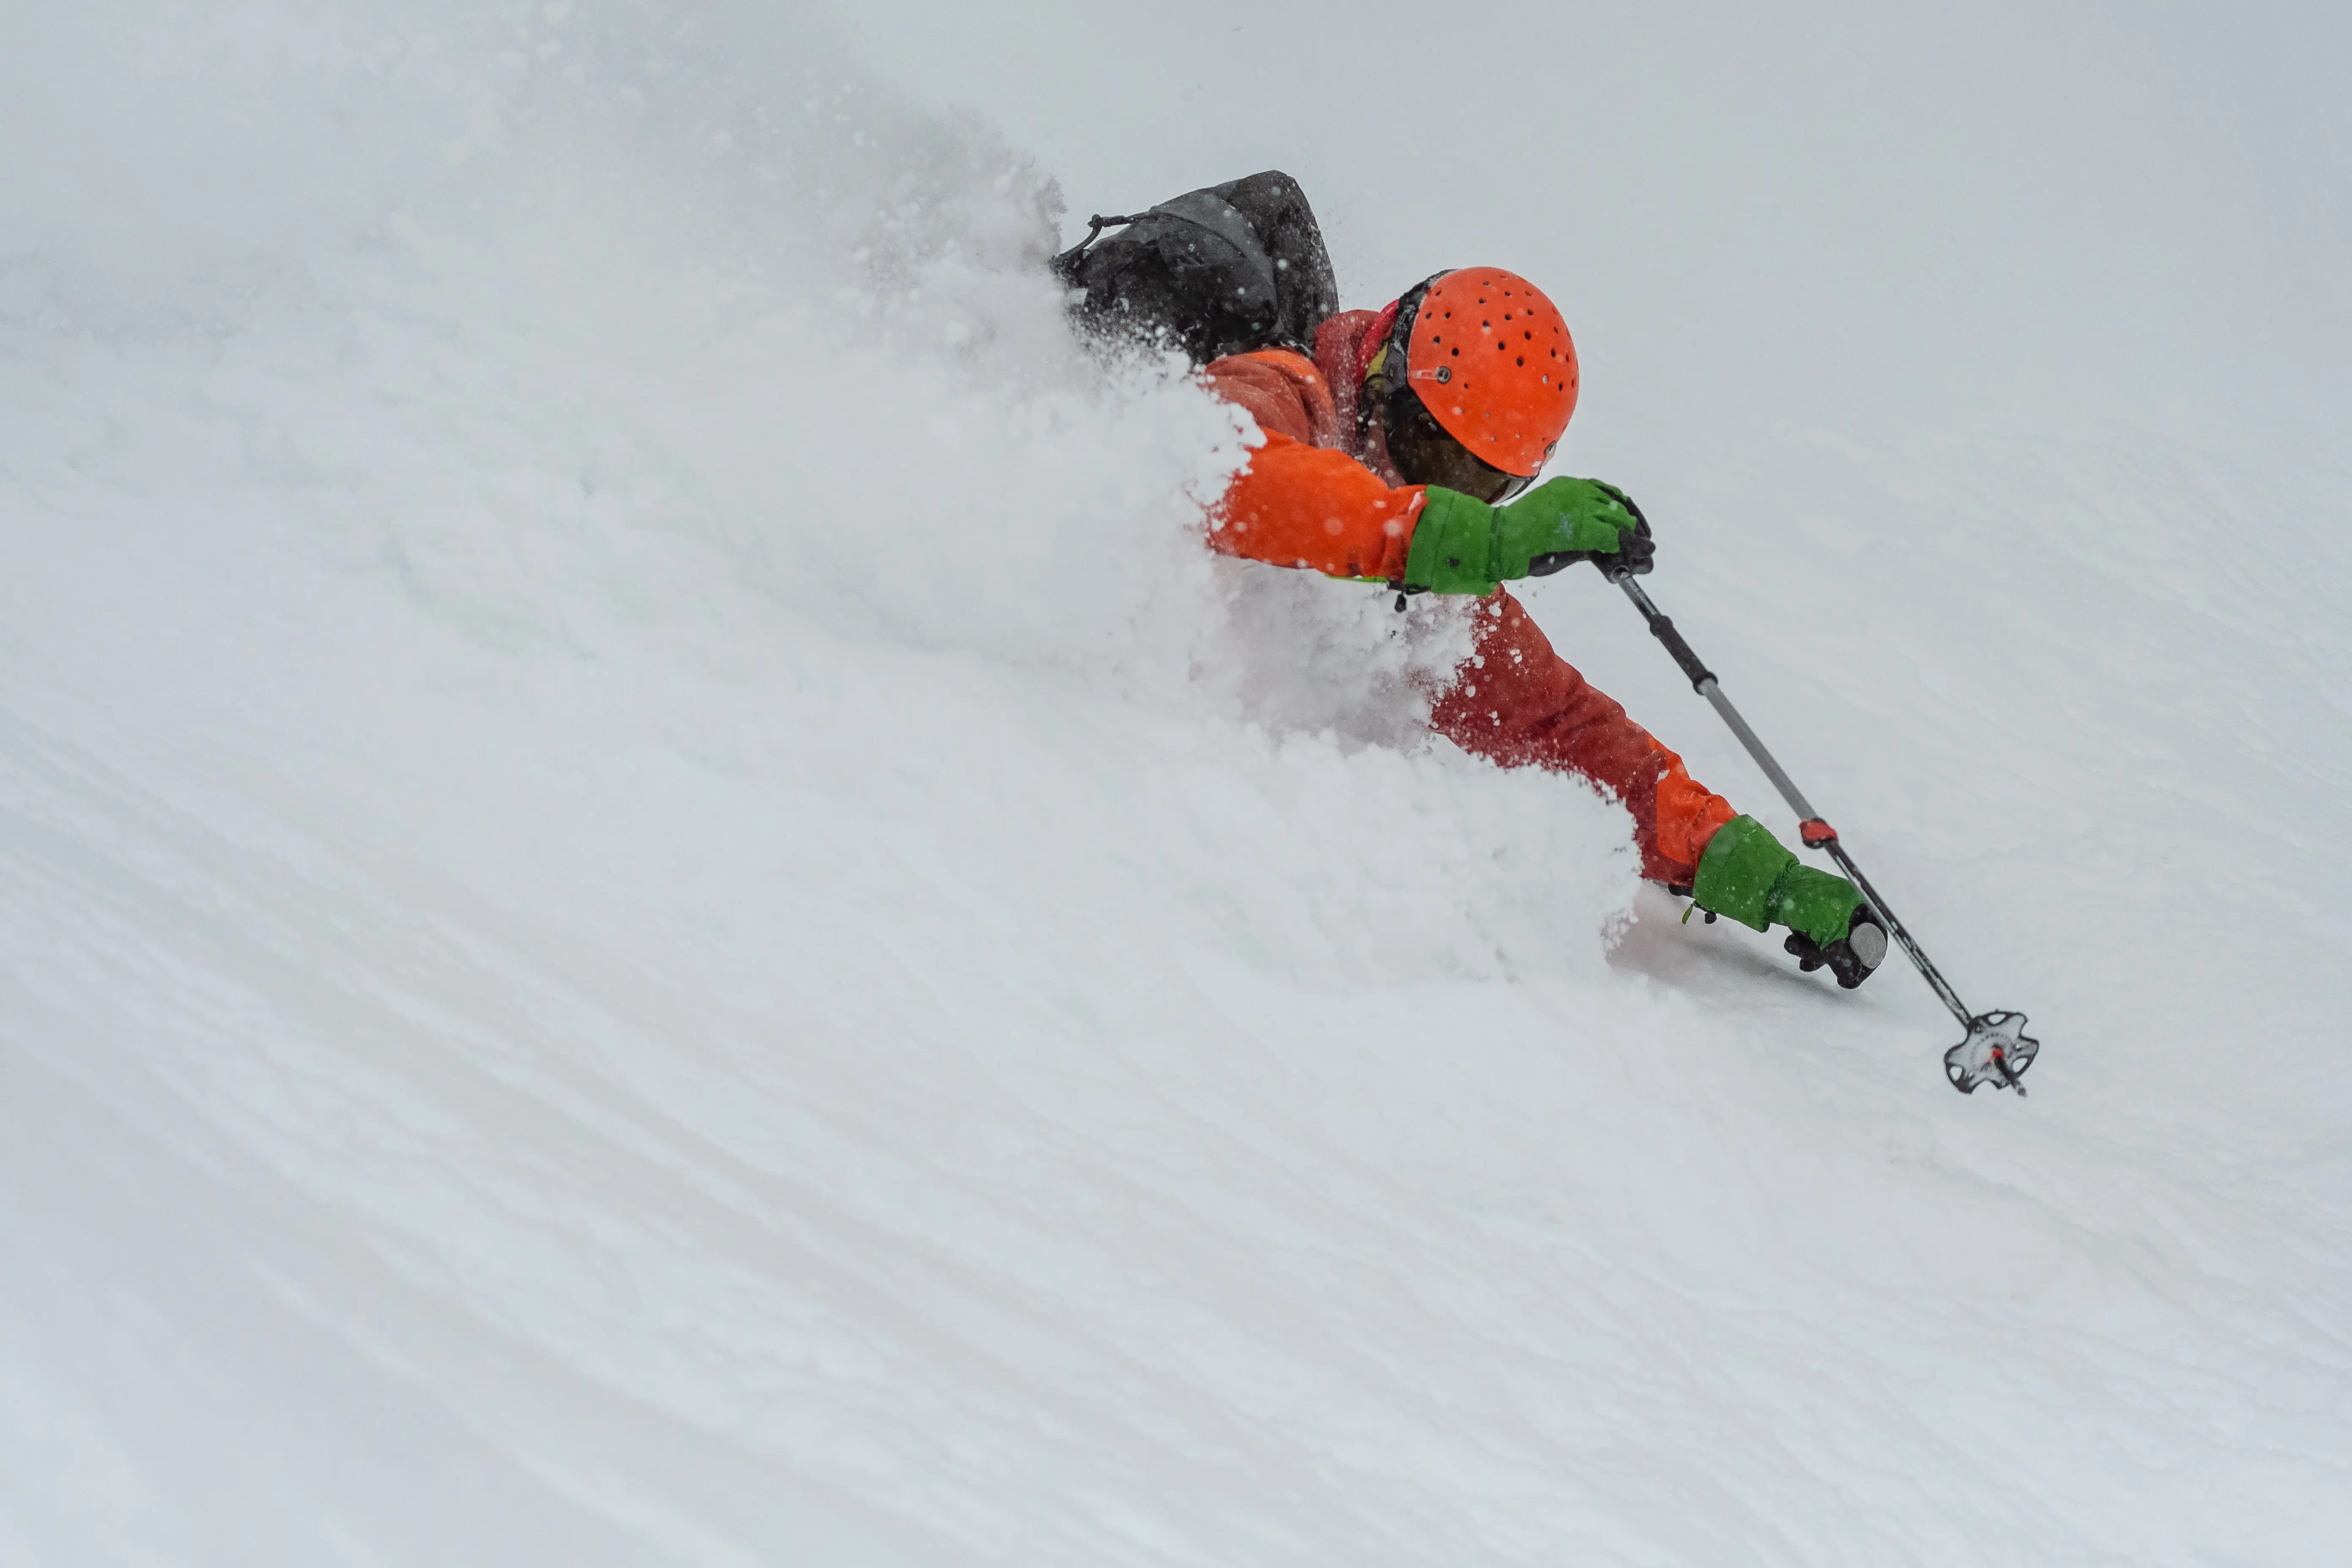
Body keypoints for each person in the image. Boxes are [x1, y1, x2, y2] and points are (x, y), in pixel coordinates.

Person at [1056, 173, 1886, 986]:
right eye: (1435, 452)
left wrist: (1751, 868)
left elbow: (1563, 730)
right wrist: (1471, 533)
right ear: (1385, 374)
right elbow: (1225, 470)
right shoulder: (1292, 390)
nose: (1449, 491)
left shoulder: (1436, 557)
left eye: (1485, 482)